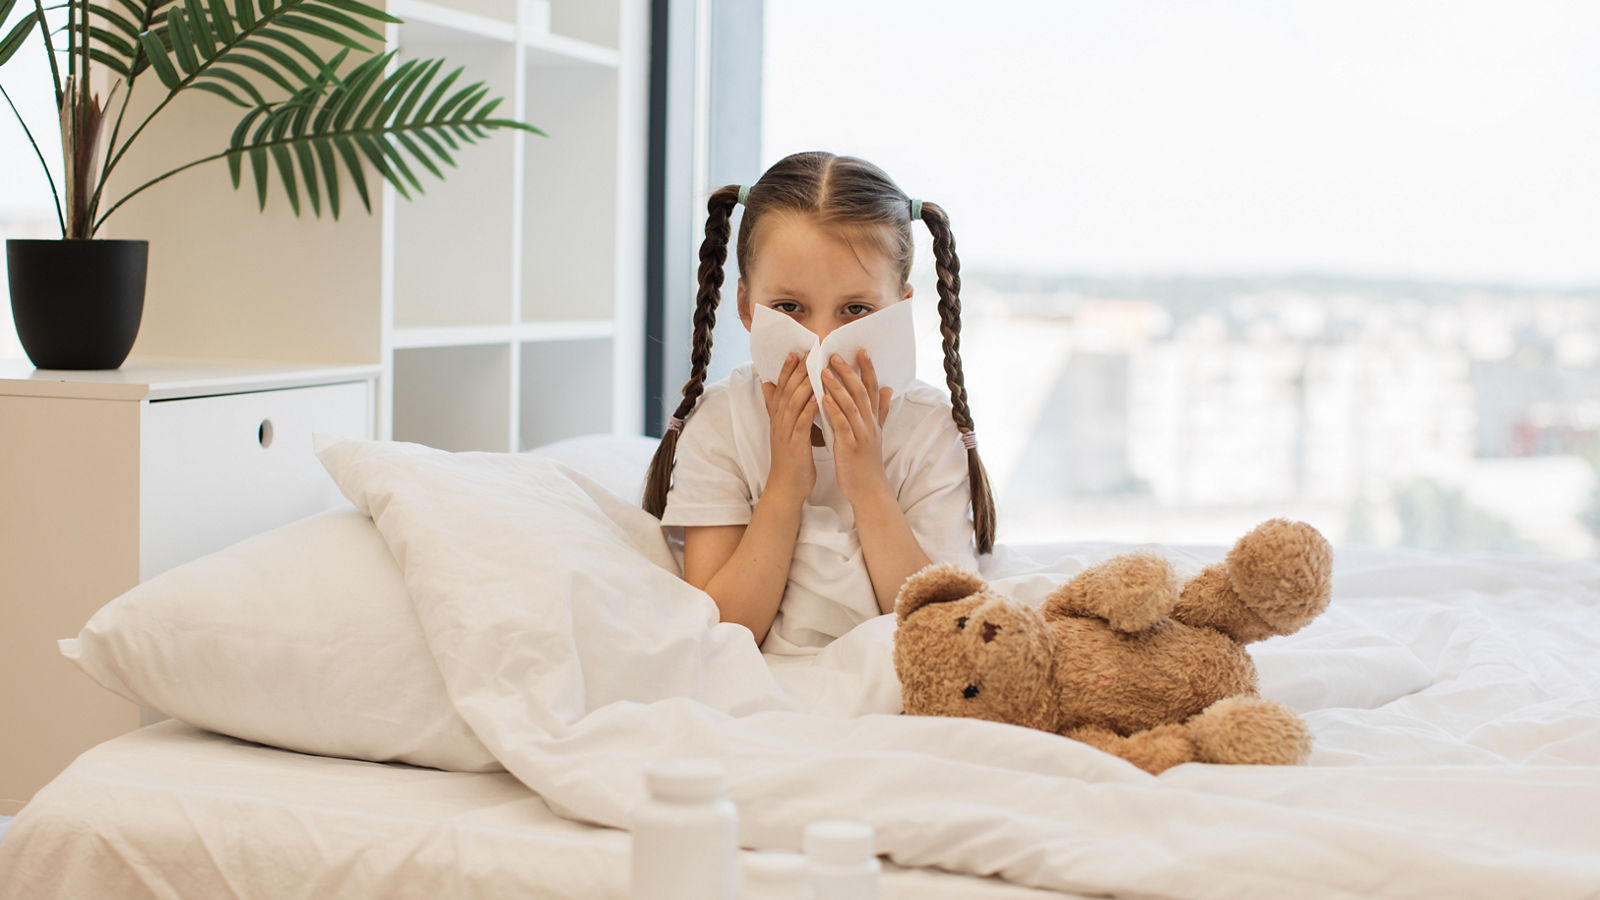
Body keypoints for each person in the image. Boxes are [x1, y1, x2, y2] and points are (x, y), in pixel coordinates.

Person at [643, 151, 996, 654]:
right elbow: (722, 626)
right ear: (746, 307)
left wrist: (869, 485)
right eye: (789, 308)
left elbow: (943, 627)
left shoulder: (927, 428)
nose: (822, 340)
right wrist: (785, 487)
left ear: (899, 309)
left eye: (856, 310)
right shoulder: (722, 423)